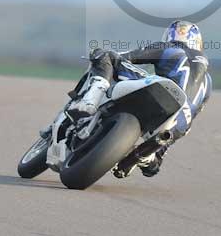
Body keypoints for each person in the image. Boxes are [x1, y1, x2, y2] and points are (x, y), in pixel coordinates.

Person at [71, 20, 212, 177]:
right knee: (154, 165)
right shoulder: (208, 82)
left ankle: (90, 101)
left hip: (162, 92)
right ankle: (147, 155)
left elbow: (126, 57)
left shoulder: (168, 48)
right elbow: (195, 110)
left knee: (106, 55)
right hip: (179, 122)